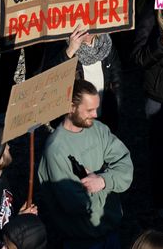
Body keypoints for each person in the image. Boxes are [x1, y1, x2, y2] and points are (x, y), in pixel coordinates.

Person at [37, 79, 135, 249]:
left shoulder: (99, 129)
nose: (96, 114)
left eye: (96, 108)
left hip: (111, 232)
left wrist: (102, 181)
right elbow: (77, 204)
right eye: (89, 110)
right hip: (82, 241)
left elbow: (126, 168)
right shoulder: (56, 149)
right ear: (70, 107)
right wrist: (112, 182)